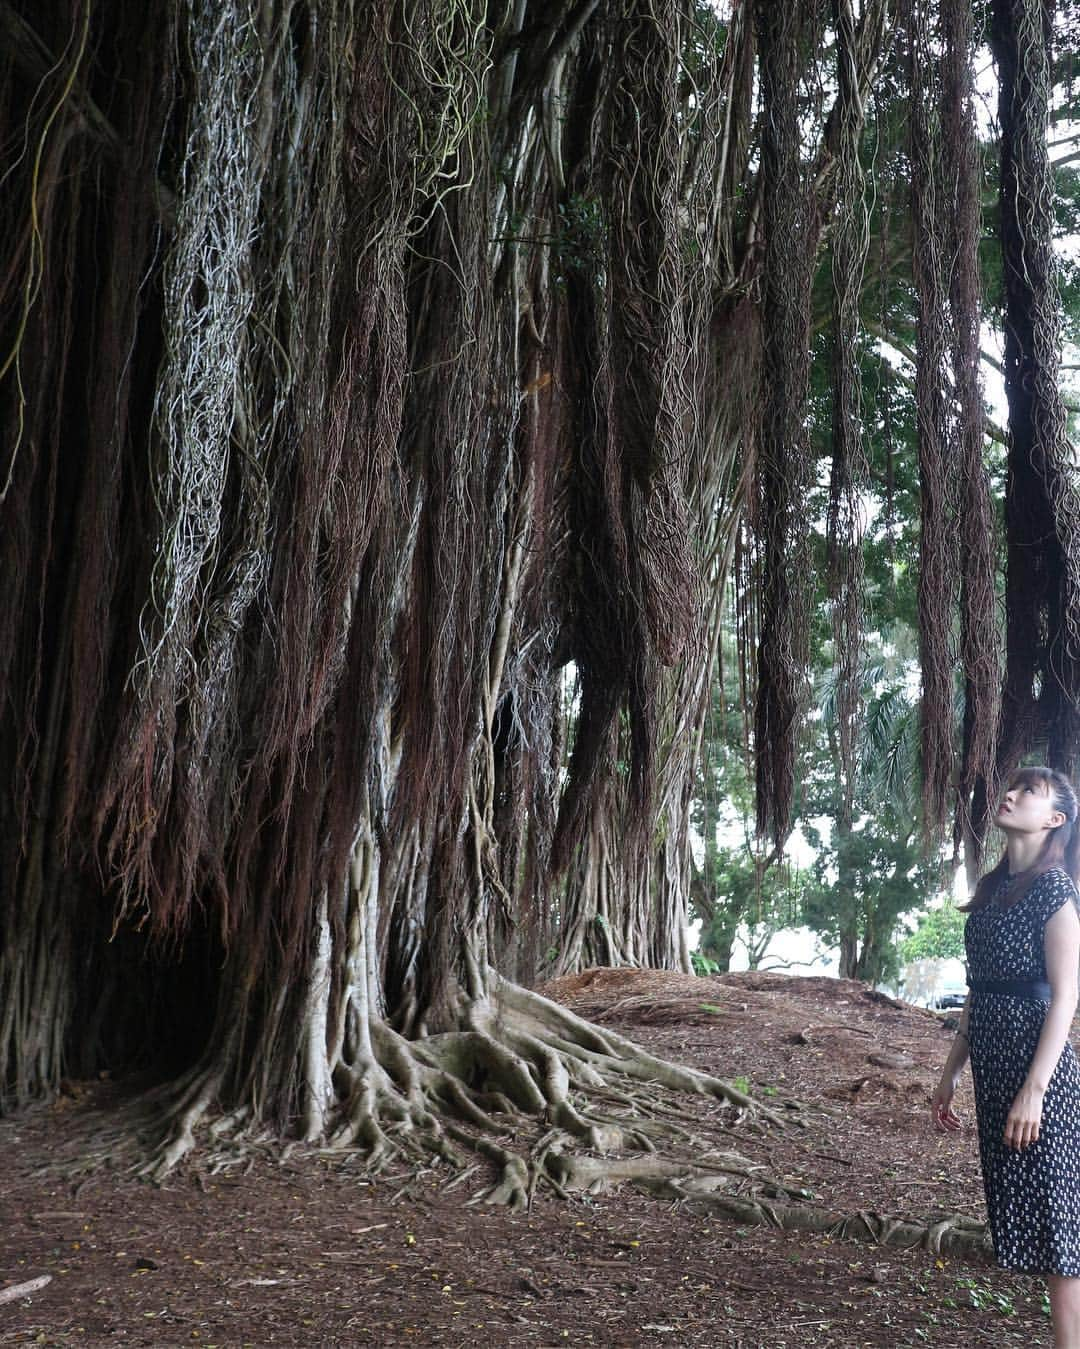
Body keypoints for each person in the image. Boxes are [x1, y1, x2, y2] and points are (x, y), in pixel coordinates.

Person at [933, 766, 1080, 1348]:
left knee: (1058, 1226)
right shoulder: (993, 891)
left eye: (1029, 792)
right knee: (1032, 1221)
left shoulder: (1057, 892)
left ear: (1054, 820)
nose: (1010, 794)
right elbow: (980, 989)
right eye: (1012, 787)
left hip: (1037, 1074)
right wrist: (949, 1074)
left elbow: (1065, 997)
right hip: (993, 1068)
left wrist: (1035, 1090)